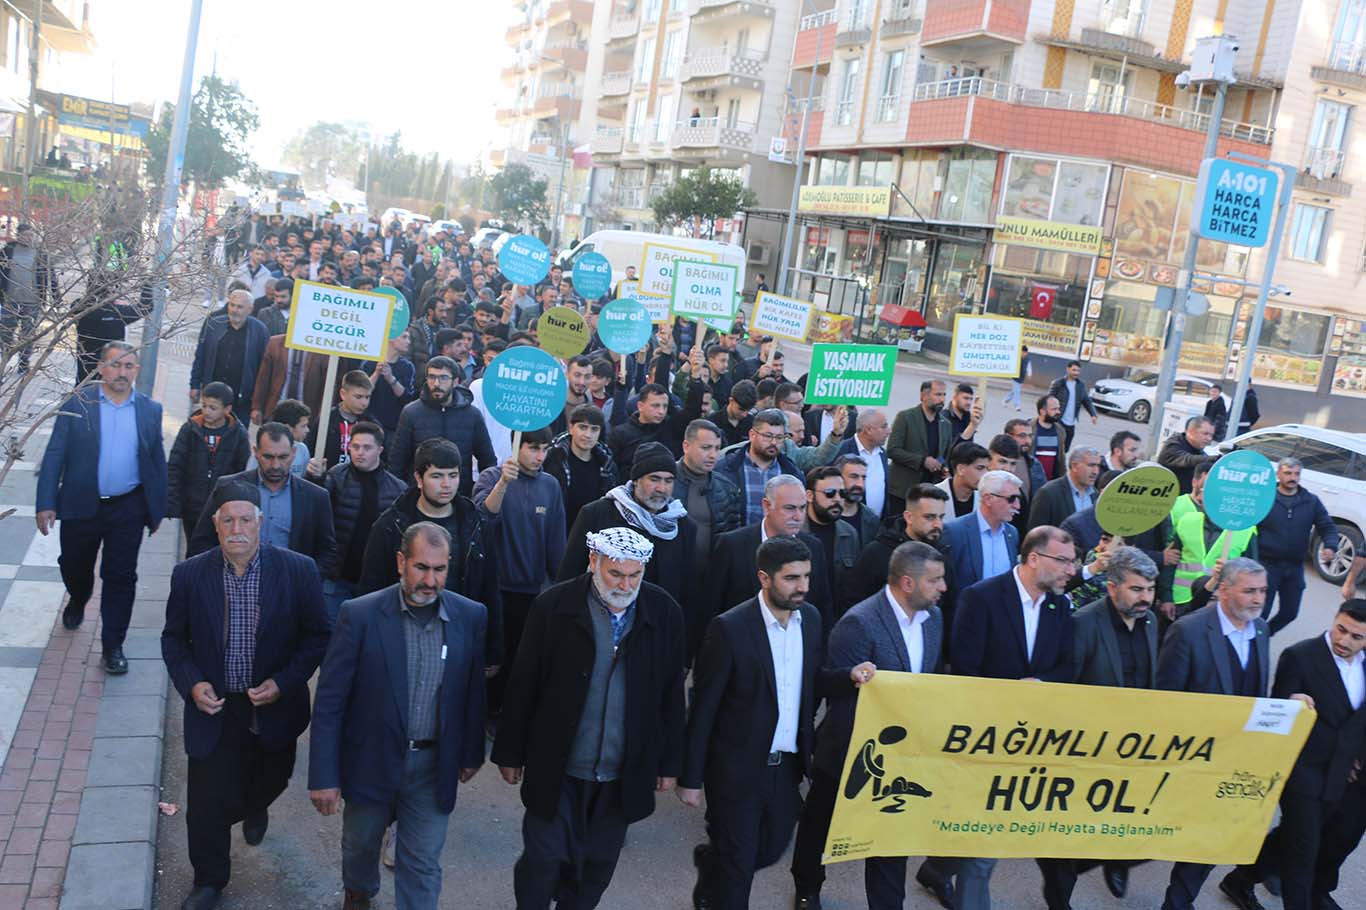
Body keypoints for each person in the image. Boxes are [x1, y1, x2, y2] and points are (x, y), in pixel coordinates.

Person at [491, 528, 686, 910]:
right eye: (616, 574)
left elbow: (670, 695)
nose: (625, 584)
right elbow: (524, 682)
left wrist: (669, 762)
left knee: (595, 866)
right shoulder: (553, 607)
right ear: (593, 562)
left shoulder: (664, 613)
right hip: (559, 766)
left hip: (621, 772)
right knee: (543, 859)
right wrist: (510, 752)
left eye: (635, 575)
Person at [161, 483, 330, 910]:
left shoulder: (298, 571)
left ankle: (256, 805)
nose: (237, 528)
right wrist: (192, 683)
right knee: (205, 803)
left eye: (245, 520)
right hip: (214, 708)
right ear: (216, 526)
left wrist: (285, 682)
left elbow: (316, 636)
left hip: (271, 707)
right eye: (228, 520)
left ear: (260, 524)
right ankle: (209, 881)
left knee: (269, 780)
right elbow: (174, 640)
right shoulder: (190, 574)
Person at [309, 522, 488, 910]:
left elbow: (472, 691)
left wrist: (471, 752)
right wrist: (324, 776)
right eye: (421, 567)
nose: (430, 580)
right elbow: (329, 702)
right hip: (370, 760)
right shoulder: (359, 616)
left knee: (421, 863)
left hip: (432, 766)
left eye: (440, 570)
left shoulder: (470, 616)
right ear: (400, 562)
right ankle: (358, 892)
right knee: (359, 848)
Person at [791, 541, 948, 910]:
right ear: (907, 583)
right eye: (935, 581)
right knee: (821, 823)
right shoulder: (859, 622)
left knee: (890, 833)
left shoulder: (934, 620)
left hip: (905, 753)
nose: (943, 588)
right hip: (849, 749)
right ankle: (806, 887)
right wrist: (851, 676)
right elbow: (826, 682)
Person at [681, 536, 822, 910]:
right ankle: (722, 878)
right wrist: (690, 778)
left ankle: (713, 866)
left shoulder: (811, 620)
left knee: (770, 848)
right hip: (737, 770)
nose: (802, 587)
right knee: (739, 869)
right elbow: (704, 707)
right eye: (792, 578)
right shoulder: (730, 628)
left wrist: (850, 677)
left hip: (787, 767)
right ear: (764, 578)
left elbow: (812, 684)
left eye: (806, 576)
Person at [951, 526, 1077, 910]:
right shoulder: (982, 598)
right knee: (982, 845)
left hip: (1034, 742)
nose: (1071, 570)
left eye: (1073, 562)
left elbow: (1067, 666)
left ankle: (938, 868)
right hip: (986, 738)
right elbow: (964, 668)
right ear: (1034, 558)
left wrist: (1038, 683)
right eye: (1064, 561)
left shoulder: (1060, 605)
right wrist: (1009, 693)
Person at [1218, 600, 1366, 910]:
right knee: (1302, 854)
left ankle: (1240, 879)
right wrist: (1290, 700)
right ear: (1334, 619)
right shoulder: (1301, 656)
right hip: (1303, 772)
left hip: (1346, 773)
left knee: (1309, 839)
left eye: (1356, 636)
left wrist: (1356, 755)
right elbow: (1277, 712)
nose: (1344, 641)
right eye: (1341, 629)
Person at [1039, 546, 1161, 909]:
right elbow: (1066, 687)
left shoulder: (1152, 623)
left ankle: (1113, 859)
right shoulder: (1083, 624)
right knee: (1070, 834)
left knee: (1138, 831)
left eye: (1151, 590)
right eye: (1137, 590)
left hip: (1131, 749)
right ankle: (1058, 895)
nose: (1146, 599)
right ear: (1112, 587)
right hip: (1085, 749)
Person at [36, 341, 166, 673]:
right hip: (82, 504)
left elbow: (155, 461)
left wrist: (157, 508)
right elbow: (54, 454)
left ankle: (113, 647)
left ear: (136, 370)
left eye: (129, 367)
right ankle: (79, 596)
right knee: (74, 565)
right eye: (115, 365)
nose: (122, 373)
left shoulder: (150, 410)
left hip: (128, 508)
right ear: (101, 367)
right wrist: (46, 502)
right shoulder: (78, 403)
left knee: (121, 577)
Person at [1156, 558, 1272, 910]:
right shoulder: (1189, 631)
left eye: (1263, 591)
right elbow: (1165, 699)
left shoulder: (1262, 630)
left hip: (1236, 758)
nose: (1258, 599)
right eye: (1249, 590)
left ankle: (1177, 902)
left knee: (1214, 835)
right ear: (1223, 590)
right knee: (1176, 833)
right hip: (1194, 755)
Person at [359, 437, 502, 670]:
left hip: (459, 637)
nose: (447, 484)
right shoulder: (389, 526)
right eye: (437, 476)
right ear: (418, 478)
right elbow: (371, 588)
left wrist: (492, 651)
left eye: (453, 476)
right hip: (401, 640)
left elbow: (489, 588)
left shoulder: (475, 524)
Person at [474, 428, 566, 712]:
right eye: (532, 448)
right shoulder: (492, 476)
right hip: (496, 589)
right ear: (516, 446)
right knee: (492, 659)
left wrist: (561, 586)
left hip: (532, 591)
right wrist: (503, 482)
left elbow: (556, 540)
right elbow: (482, 517)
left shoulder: (550, 486)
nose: (540, 456)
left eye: (544, 449)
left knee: (521, 657)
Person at [559, 441, 697, 616]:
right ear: (636, 480)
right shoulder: (596, 514)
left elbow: (687, 591)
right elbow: (569, 577)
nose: (661, 488)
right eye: (654, 479)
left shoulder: (683, 527)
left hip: (657, 626)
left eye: (668, 480)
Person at [187, 423, 337, 571]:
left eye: (283, 457)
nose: (276, 465)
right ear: (255, 452)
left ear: (293, 453)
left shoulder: (316, 497)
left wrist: (305, 581)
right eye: (268, 457)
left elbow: (327, 552)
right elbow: (201, 542)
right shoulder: (227, 487)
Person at [320, 422, 405, 622]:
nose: (359, 453)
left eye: (367, 448)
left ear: (380, 450)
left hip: (374, 582)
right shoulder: (335, 477)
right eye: (355, 446)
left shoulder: (397, 489)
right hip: (337, 577)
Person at [388, 355, 496, 498]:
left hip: (459, 496)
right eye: (432, 377)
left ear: (456, 381)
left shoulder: (472, 415)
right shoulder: (411, 413)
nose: (436, 383)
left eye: (443, 378)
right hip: (419, 497)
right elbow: (397, 462)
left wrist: (483, 495)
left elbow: (487, 460)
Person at [1258, 456, 1338, 636]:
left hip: (1294, 568)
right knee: (1260, 613)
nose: (1292, 477)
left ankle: (1265, 635)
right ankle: (1254, 644)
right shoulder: (1264, 497)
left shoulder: (1311, 501)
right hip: (1266, 566)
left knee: (1290, 613)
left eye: (1296, 474)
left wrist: (1330, 546)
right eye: (1288, 473)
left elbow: (1327, 526)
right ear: (1278, 474)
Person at [168, 382, 251, 547]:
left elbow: (243, 471)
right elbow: (175, 466)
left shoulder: (238, 434)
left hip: (222, 506)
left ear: (227, 409)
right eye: (204, 406)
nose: (206, 411)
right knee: (194, 548)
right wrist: (173, 502)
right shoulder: (190, 430)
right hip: (192, 506)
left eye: (213, 408)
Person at [1169, 483, 1259, 616]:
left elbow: (1251, 573)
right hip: (1182, 598)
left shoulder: (1245, 530)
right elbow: (1171, 561)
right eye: (1202, 494)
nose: (1200, 498)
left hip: (1219, 600)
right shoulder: (1187, 521)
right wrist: (1166, 597)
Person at [714, 409, 803, 526]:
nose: (774, 442)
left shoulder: (791, 473)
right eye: (768, 436)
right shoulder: (725, 468)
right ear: (752, 435)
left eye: (779, 437)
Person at [191, 289, 270, 419]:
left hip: (242, 399)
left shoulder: (259, 331)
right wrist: (195, 385)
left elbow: (263, 369)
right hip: (212, 396)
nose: (234, 310)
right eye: (232, 305)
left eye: (239, 307)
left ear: (250, 309)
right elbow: (201, 356)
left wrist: (257, 404)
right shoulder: (214, 324)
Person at [673, 418, 743, 566]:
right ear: (686, 446)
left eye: (717, 448)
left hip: (711, 576)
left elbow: (732, 538)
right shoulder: (665, 482)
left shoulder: (727, 489)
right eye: (706, 448)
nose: (713, 455)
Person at [941, 470, 1023, 593]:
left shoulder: (1012, 533)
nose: (1017, 506)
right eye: (1011, 499)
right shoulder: (955, 531)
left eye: (1018, 499)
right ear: (988, 499)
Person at [543, 405, 618, 534]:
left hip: (592, 535)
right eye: (583, 427)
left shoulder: (606, 464)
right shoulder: (553, 458)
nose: (588, 435)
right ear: (571, 428)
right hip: (556, 530)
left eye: (594, 429)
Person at [887, 380, 952, 515]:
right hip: (903, 491)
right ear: (924, 396)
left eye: (944, 395)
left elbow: (946, 454)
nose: (942, 399)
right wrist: (922, 461)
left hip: (930, 492)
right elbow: (893, 450)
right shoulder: (905, 417)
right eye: (938, 394)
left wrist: (943, 467)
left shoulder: (945, 424)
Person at [802, 466, 859, 603]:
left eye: (842, 493)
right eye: (829, 493)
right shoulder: (794, 532)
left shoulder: (849, 534)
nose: (837, 499)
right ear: (809, 496)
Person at [305, 370, 377, 477]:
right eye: (358, 397)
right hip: (329, 481)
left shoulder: (371, 423)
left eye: (367, 397)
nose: (364, 403)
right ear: (343, 394)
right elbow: (309, 451)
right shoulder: (327, 420)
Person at [1028, 445, 1102, 530]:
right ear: (1074, 466)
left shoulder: (1095, 495)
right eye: (1091, 465)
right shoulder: (1048, 493)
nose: (1096, 472)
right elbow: (1036, 533)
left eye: (1098, 466)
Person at [838, 409, 890, 519]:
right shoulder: (841, 451)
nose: (889, 431)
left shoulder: (882, 454)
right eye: (884, 426)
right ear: (868, 430)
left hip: (876, 525)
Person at [366, 329, 417, 436]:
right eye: (404, 337)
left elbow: (407, 397)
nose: (408, 341)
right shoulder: (370, 362)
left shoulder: (407, 367)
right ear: (391, 338)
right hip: (369, 424)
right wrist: (377, 373)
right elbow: (364, 391)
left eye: (409, 337)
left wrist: (390, 378)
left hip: (393, 427)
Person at [1158, 415, 1219, 494]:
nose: (1209, 438)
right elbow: (1187, 459)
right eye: (1205, 434)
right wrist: (1216, 459)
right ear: (1190, 432)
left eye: (1211, 435)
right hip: (1166, 497)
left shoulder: (1199, 449)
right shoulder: (1173, 445)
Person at [1048, 360, 1097, 452]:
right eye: (1074, 370)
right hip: (1058, 420)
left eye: (1078, 371)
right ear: (1068, 369)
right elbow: (1048, 400)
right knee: (1054, 447)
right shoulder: (1058, 383)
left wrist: (1093, 414)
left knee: (1065, 449)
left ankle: (1060, 465)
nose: (1076, 373)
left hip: (1071, 423)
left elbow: (1086, 400)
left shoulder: (1080, 385)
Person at [834, 455, 882, 546]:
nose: (860, 484)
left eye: (863, 478)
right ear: (838, 478)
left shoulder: (871, 519)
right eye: (854, 477)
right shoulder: (825, 515)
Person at [935, 442, 989, 519]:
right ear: (960, 469)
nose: (985, 474)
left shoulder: (985, 499)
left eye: (988, 469)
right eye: (980, 468)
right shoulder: (932, 496)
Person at [1031, 394, 1064, 481]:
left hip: (1050, 482)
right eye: (1054, 409)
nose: (1058, 412)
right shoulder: (1029, 429)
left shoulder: (1060, 431)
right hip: (1031, 480)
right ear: (1043, 411)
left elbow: (1061, 458)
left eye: (1058, 408)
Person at [1004, 344, 1031, 411]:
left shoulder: (1027, 359)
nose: (1022, 353)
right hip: (1015, 377)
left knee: (1014, 391)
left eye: (1024, 352)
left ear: (1026, 352)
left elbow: (1029, 367)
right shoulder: (1017, 357)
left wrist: (1029, 374)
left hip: (1022, 377)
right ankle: (1017, 406)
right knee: (1017, 391)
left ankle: (1005, 400)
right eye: (1021, 352)